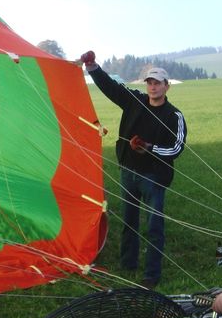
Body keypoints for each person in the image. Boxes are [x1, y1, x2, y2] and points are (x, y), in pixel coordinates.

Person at [80, 51, 187, 289]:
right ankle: (128, 263)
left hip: (154, 177)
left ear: (167, 87)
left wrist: (149, 148)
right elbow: (111, 88)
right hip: (129, 172)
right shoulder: (135, 101)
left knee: (154, 225)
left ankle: (152, 273)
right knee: (129, 220)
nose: (153, 87)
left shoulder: (174, 115)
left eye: (157, 83)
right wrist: (93, 67)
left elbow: (176, 148)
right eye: (149, 82)